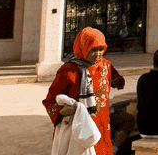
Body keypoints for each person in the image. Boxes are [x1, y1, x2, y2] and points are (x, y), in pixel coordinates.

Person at [43, 27, 127, 155]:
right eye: (93, 50)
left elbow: (117, 78)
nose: (98, 54)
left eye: (101, 49)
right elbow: (49, 101)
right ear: (83, 48)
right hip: (79, 129)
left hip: (101, 125)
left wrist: (118, 81)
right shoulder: (68, 71)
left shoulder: (105, 65)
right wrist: (63, 111)